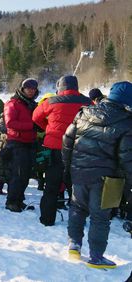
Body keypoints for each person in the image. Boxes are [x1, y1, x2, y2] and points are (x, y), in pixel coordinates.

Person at [62, 81, 132, 268]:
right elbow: (127, 158)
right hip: (106, 178)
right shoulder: (126, 122)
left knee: (77, 208)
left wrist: (68, 167)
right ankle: (96, 256)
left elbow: (67, 141)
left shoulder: (84, 112)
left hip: (79, 172)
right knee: (100, 217)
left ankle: (74, 245)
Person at [33, 76, 91, 226]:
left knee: (51, 186)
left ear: (60, 87)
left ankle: (47, 219)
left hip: (55, 148)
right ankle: (77, 221)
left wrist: (48, 127)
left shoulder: (51, 101)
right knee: (76, 188)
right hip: (78, 149)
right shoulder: (87, 102)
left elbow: (35, 117)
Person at [3, 78, 38, 212]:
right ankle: (11, 201)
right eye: (28, 88)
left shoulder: (33, 105)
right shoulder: (13, 104)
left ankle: (19, 200)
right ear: (22, 89)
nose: (31, 91)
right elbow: (10, 123)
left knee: (26, 174)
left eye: (33, 88)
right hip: (17, 143)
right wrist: (32, 126)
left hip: (30, 143)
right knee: (17, 174)